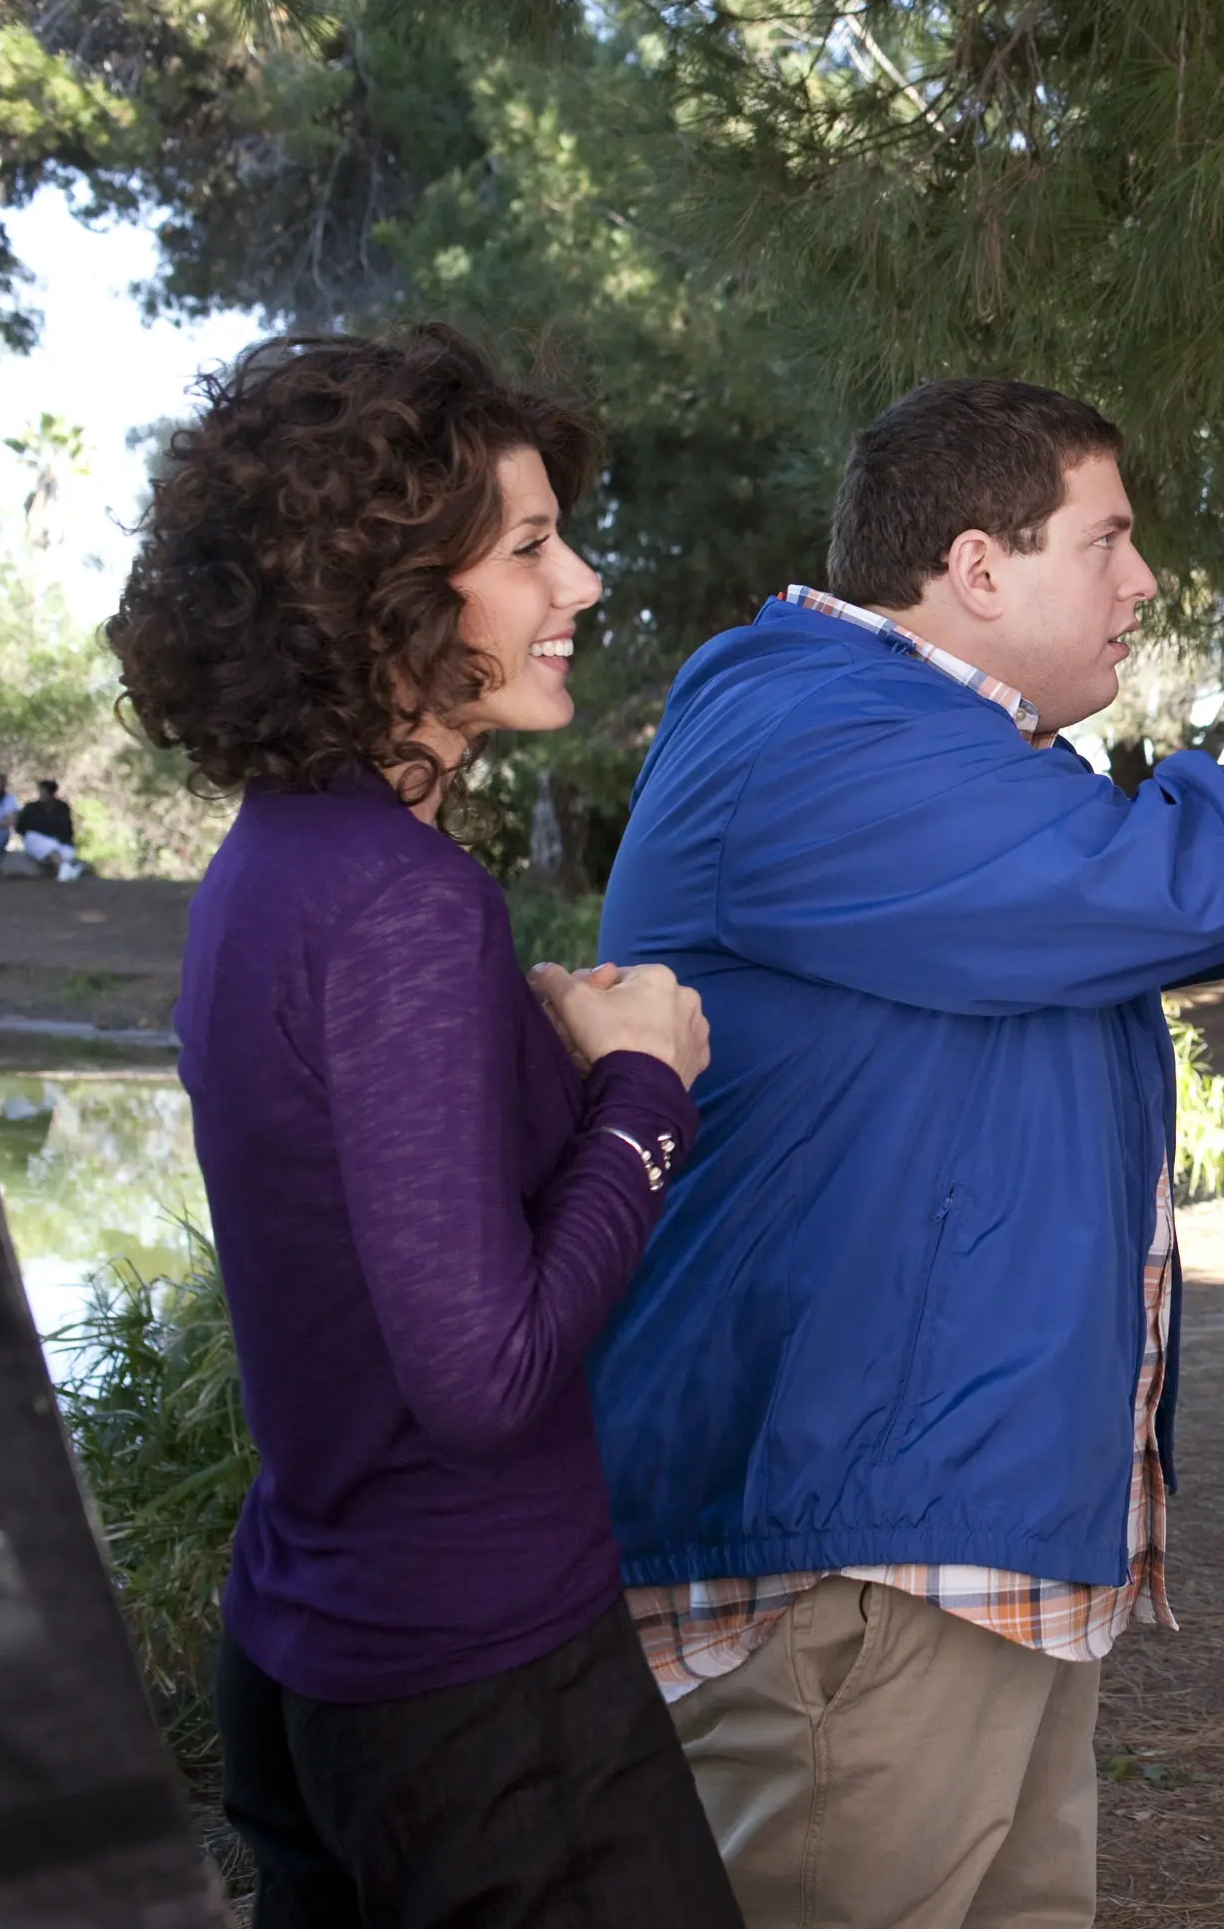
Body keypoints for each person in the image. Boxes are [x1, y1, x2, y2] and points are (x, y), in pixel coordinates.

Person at [589, 387, 1224, 1928]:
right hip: (860, 1564)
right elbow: (1209, 881)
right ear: (978, 568)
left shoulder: (930, 750)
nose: (1143, 584)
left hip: (958, 1548)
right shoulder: (819, 735)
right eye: (1109, 539)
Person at [105, 328, 740, 1929]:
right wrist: (641, 1093)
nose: (582, 585)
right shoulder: (402, 902)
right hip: (479, 1701)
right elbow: (483, 1378)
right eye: (529, 550)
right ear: (383, 595)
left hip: (318, 1648)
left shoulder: (277, 866)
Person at [14, 778, 83, 880]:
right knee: (32, 837)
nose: (42, 795)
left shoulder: (62, 808)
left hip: (61, 844)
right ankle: (65, 870)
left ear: (52, 794)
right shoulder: (30, 808)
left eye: (44, 792)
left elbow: (67, 829)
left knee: (61, 852)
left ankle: (63, 869)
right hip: (37, 843)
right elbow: (20, 828)